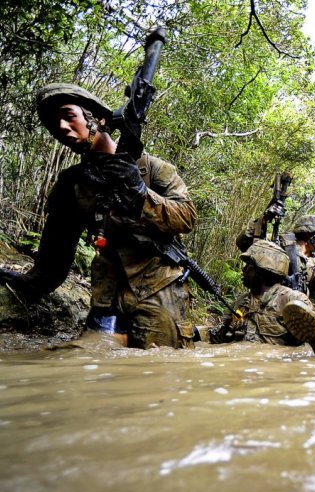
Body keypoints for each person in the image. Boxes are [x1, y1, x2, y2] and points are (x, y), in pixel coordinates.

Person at [0, 83, 196, 349]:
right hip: (108, 296)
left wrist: (139, 192)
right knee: (87, 366)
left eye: (69, 116)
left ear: (99, 119)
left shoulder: (152, 169)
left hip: (160, 291)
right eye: (54, 123)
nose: (61, 127)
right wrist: (25, 284)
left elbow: (186, 218)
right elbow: (55, 256)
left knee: (160, 373)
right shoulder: (72, 184)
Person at [206, 240, 309, 345]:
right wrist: (196, 333)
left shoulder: (292, 300)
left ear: (263, 271)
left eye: (249, 267)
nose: (243, 270)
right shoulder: (241, 301)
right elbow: (218, 333)